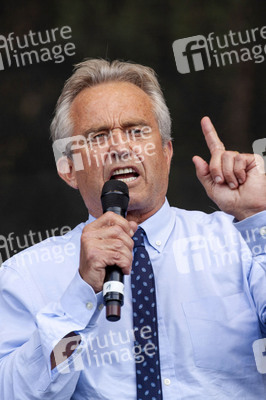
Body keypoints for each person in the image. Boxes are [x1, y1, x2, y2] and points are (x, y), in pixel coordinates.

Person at [0, 59, 265, 400]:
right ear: (68, 168)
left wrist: (258, 216)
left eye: (136, 131)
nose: (120, 147)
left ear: (166, 152)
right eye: (97, 136)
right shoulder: (26, 276)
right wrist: (80, 295)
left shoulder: (240, 241)